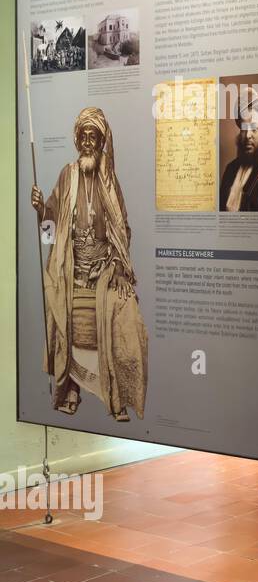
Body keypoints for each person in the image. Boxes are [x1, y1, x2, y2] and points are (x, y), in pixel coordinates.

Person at [30, 107, 147, 421]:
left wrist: (121, 268)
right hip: (72, 268)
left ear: (101, 141)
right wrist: (43, 210)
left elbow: (123, 229)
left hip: (106, 270)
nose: (86, 142)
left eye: (92, 136)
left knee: (123, 316)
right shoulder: (67, 175)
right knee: (63, 316)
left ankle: (116, 398)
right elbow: (49, 233)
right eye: (82, 136)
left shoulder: (110, 180)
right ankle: (70, 391)